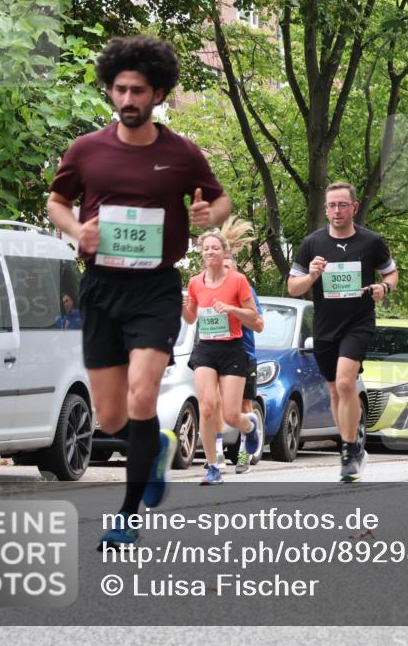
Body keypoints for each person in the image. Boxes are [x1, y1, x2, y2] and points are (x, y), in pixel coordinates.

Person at [47, 36, 231, 549]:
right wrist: (75, 230)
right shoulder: (86, 150)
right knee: (110, 416)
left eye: (138, 91)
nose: (128, 99)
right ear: (110, 90)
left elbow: (221, 201)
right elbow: (57, 201)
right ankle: (155, 445)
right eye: (120, 89)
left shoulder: (181, 153)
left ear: (159, 93)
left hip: (155, 288)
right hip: (101, 286)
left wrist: (207, 215)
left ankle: (127, 516)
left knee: (143, 393)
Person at [288, 182, 398, 482]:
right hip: (325, 327)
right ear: (326, 209)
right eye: (331, 205)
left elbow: (391, 273)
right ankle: (354, 446)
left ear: (354, 208)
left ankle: (349, 452)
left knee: (347, 382)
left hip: (358, 323)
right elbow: (293, 287)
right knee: (335, 390)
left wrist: (384, 287)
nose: (336, 211)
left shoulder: (371, 241)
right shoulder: (312, 243)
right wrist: (312, 275)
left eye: (342, 205)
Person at [181, 220, 260, 485]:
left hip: (232, 349)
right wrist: (183, 306)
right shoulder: (195, 282)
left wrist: (232, 309)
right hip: (206, 348)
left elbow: (255, 318)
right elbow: (191, 318)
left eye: (215, 248)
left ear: (224, 252)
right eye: (206, 248)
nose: (210, 252)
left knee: (230, 415)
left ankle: (249, 425)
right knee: (206, 407)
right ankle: (213, 467)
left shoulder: (238, 280)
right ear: (201, 253)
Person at [225, 251, 265, 473]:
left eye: (228, 268)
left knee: (243, 404)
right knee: (214, 404)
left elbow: (258, 324)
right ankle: (216, 453)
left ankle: (243, 454)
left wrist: (234, 311)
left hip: (244, 353)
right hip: (217, 352)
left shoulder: (246, 290)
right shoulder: (209, 287)